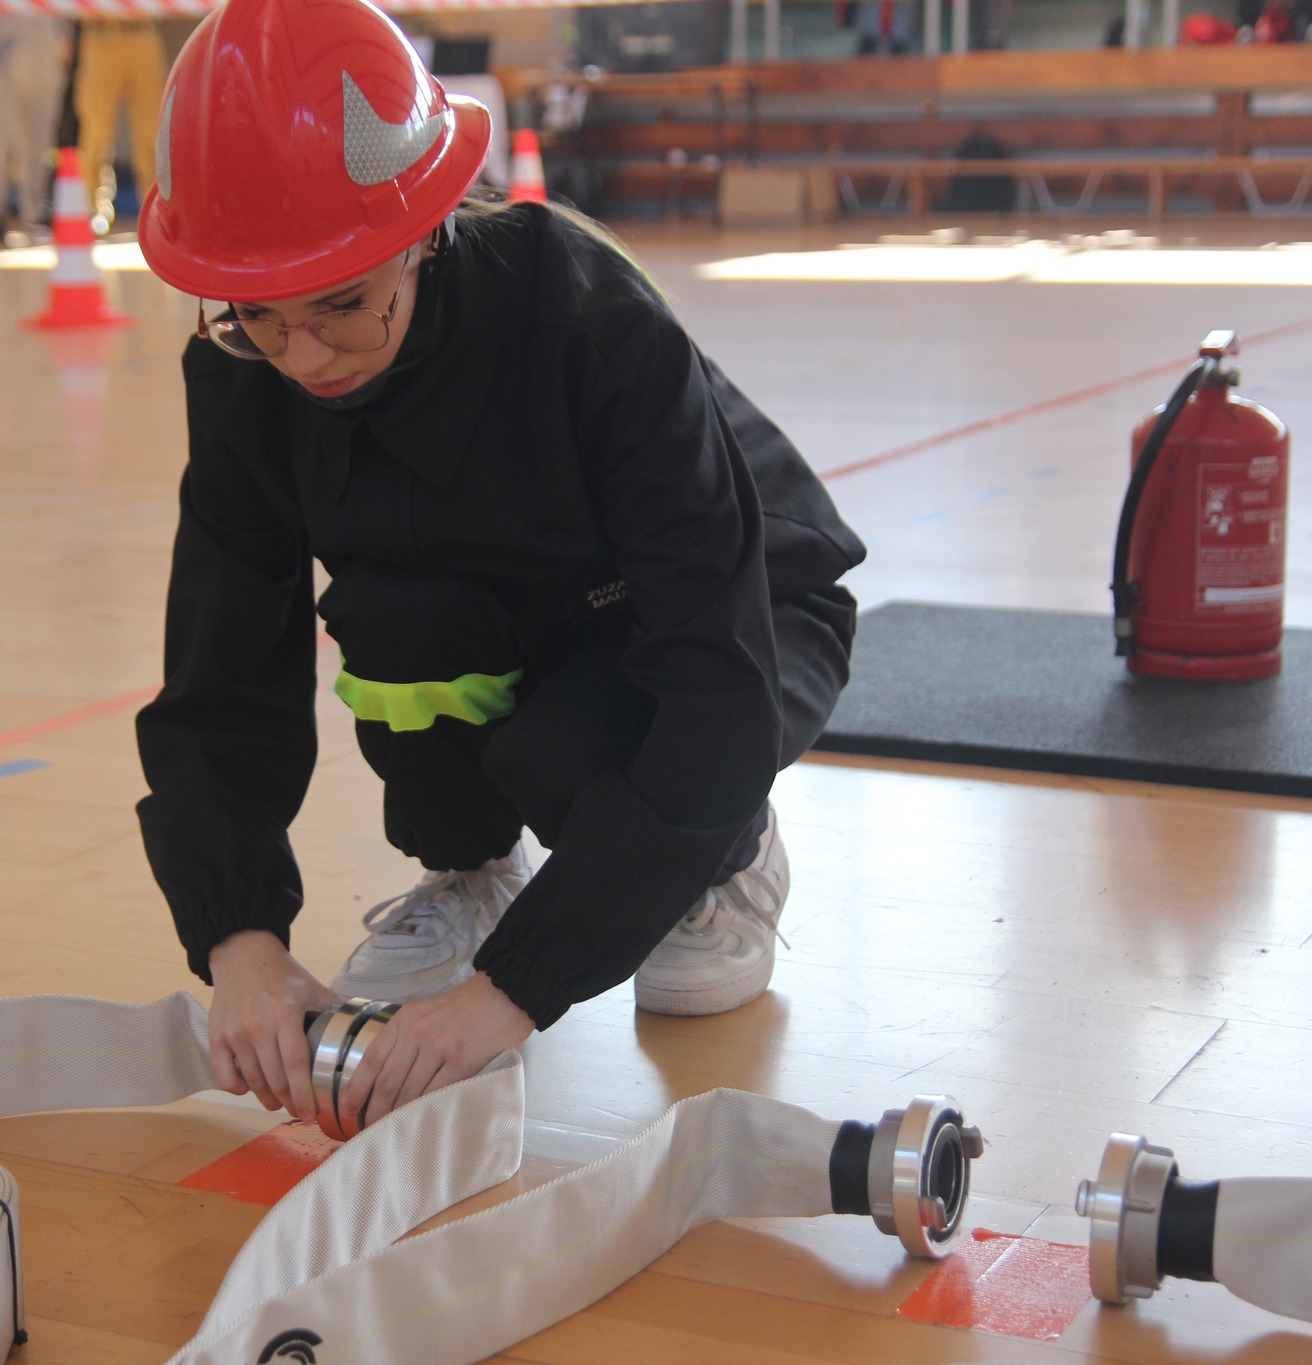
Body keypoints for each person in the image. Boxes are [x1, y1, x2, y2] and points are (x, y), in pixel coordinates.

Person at [133, 0, 865, 1133]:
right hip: (512, 605)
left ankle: (725, 862)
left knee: (567, 748)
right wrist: (240, 942)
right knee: (393, 616)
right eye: (257, 317)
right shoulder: (243, 370)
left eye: (342, 305)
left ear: (421, 233)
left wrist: (508, 994)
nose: (303, 354)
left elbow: (714, 679)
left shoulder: (585, 321)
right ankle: (471, 870)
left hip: (738, 615)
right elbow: (219, 670)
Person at [0, 17, 69, 245]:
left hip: (44, 63)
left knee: (39, 142)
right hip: (2, 62)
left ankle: (35, 211)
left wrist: (64, 43)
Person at [73, 17, 167, 229]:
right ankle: (91, 208)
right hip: (101, 32)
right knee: (96, 130)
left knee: (152, 131)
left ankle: (156, 210)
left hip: (142, 31)